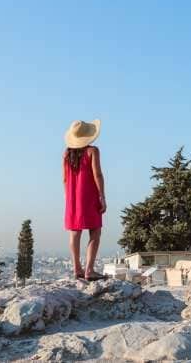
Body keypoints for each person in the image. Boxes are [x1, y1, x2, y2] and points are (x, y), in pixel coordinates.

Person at [63, 119, 107, 280]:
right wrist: (102, 196)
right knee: (95, 231)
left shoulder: (66, 154)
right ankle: (89, 270)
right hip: (89, 196)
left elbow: (65, 180)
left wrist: (69, 198)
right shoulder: (92, 151)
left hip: (72, 197)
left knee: (74, 233)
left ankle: (77, 269)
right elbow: (98, 175)